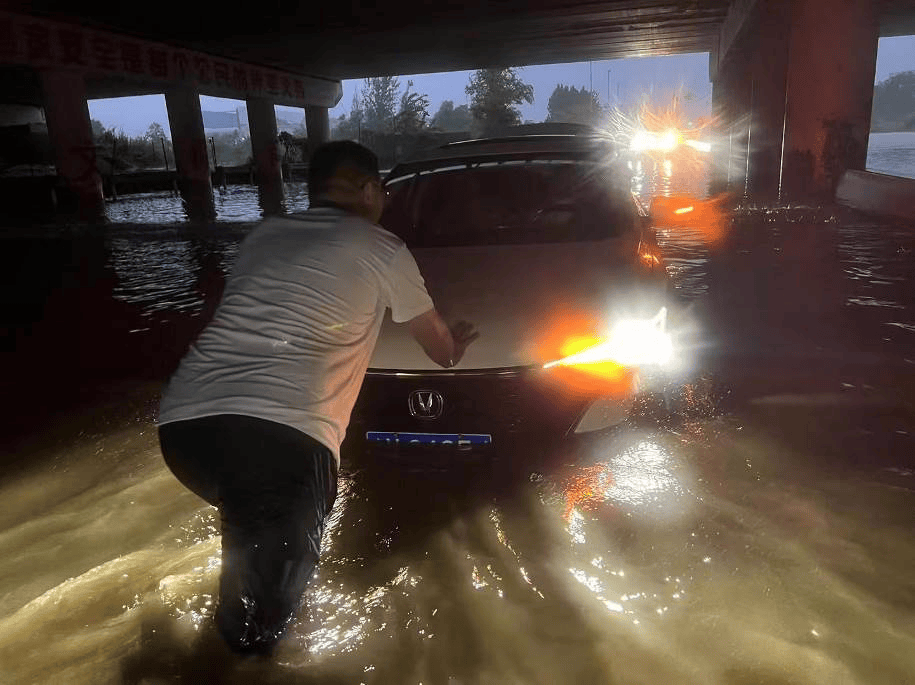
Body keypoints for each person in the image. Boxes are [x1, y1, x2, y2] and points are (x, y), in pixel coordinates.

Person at [156, 140, 479, 655]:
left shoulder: (265, 234)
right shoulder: (383, 247)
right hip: (281, 438)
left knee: (250, 531)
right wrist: (455, 345)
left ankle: (226, 629)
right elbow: (438, 348)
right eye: (384, 192)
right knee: (265, 618)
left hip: (185, 428)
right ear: (371, 189)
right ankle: (230, 662)